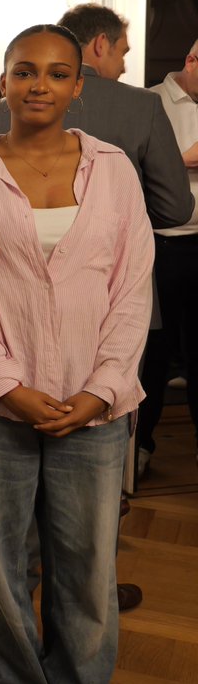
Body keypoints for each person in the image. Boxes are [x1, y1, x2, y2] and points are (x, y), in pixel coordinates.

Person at [0, 24, 153, 684]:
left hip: (94, 405)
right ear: (4, 81)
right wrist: (5, 384)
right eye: (25, 71)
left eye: (57, 73)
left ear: (77, 85)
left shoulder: (114, 169)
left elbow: (132, 284)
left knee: (87, 567)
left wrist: (105, 387)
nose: (39, 85)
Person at [0, 3, 191, 232]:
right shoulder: (144, 106)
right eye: (122, 52)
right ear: (101, 43)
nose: (124, 66)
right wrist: (118, 223)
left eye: (58, 75)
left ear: (77, 87)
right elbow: (175, 209)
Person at [140, 43, 198, 472]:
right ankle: (140, 448)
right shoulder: (149, 103)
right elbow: (135, 175)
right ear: (191, 61)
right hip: (160, 245)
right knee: (153, 352)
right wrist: (188, 160)